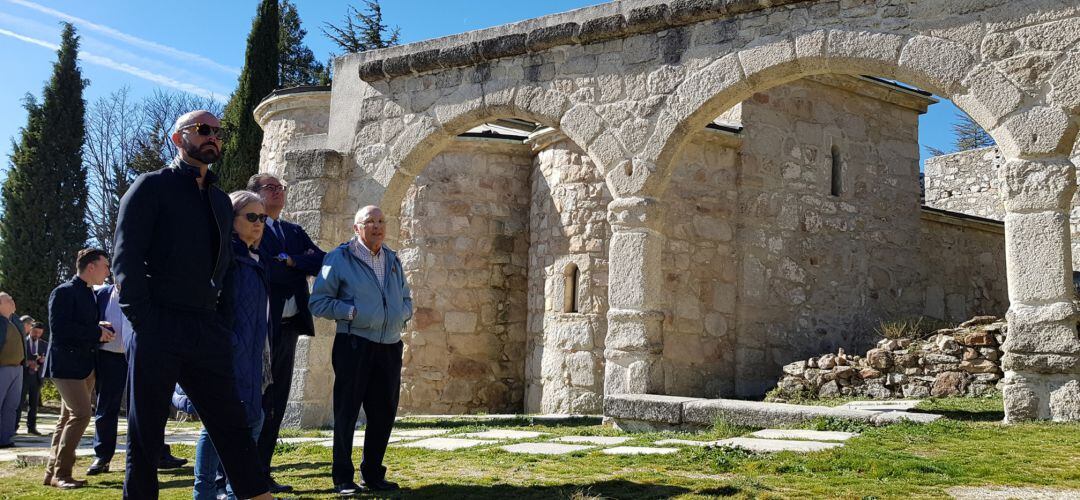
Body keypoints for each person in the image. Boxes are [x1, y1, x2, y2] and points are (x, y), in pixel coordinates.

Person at [113, 110, 271, 500]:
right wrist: (144, 321)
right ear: (177, 138)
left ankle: (256, 493)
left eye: (217, 132)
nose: (212, 137)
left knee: (230, 423)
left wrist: (222, 322)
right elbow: (125, 259)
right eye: (203, 130)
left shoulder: (220, 201)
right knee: (146, 433)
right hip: (158, 325)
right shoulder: (150, 187)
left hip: (206, 327)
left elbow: (225, 266)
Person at [310, 205, 413, 495]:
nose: (377, 227)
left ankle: (373, 474)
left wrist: (402, 314)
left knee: (383, 413)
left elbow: (406, 297)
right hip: (354, 344)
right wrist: (351, 312)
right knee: (347, 412)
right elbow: (318, 302)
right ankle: (343, 477)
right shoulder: (339, 258)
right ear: (357, 228)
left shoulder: (393, 259)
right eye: (370, 222)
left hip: (390, 345)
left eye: (381, 221)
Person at [193, 191, 273, 500]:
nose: (258, 224)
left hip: (252, 356)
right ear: (232, 219)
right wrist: (232, 344)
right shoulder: (225, 258)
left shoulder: (254, 260)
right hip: (227, 354)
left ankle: (234, 490)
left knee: (252, 420)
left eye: (262, 218)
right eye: (250, 217)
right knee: (217, 426)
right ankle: (205, 494)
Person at [249, 173, 325, 494]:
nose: (279, 192)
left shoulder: (292, 231)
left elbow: (320, 259)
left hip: (290, 327)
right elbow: (268, 269)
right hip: (263, 328)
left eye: (282, 188)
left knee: (278, 401)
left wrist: (292, 259)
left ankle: (263, 473)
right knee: (258, 401)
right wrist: (295, 265)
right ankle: (243, 474)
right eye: (271, 188)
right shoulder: (253, 230)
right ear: (254, 195)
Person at [44, 248, 114, 489]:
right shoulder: (63, 292)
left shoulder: (89, 294)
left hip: (84, 365)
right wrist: (96, 331)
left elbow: (80, 325)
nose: (108, 271)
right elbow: (60, 330)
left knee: (66, 418)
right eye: (105, 265)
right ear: (91, 266)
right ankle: (62, 474)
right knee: (81, 415)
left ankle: (52, 473)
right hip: (66, 366)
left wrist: (98, 326)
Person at [0, 294, 27, 448]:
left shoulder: (15, 321)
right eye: (8, 299)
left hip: (17, 369)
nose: (13, 301)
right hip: (2, 368)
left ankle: (5, 439)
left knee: (11, 405)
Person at [18, 318, 45, 435]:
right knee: (18, 403)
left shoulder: (44, 345)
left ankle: (32, 427)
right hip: (23, 376)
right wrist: (27, 362)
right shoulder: (22, 341)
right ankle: (14, 426)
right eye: (35, 332)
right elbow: (18, 358)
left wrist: (42, 361)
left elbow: (47, 360)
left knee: (33, 404)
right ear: (30, 330)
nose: (37, 335)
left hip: (37, 377)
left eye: (39, 333)